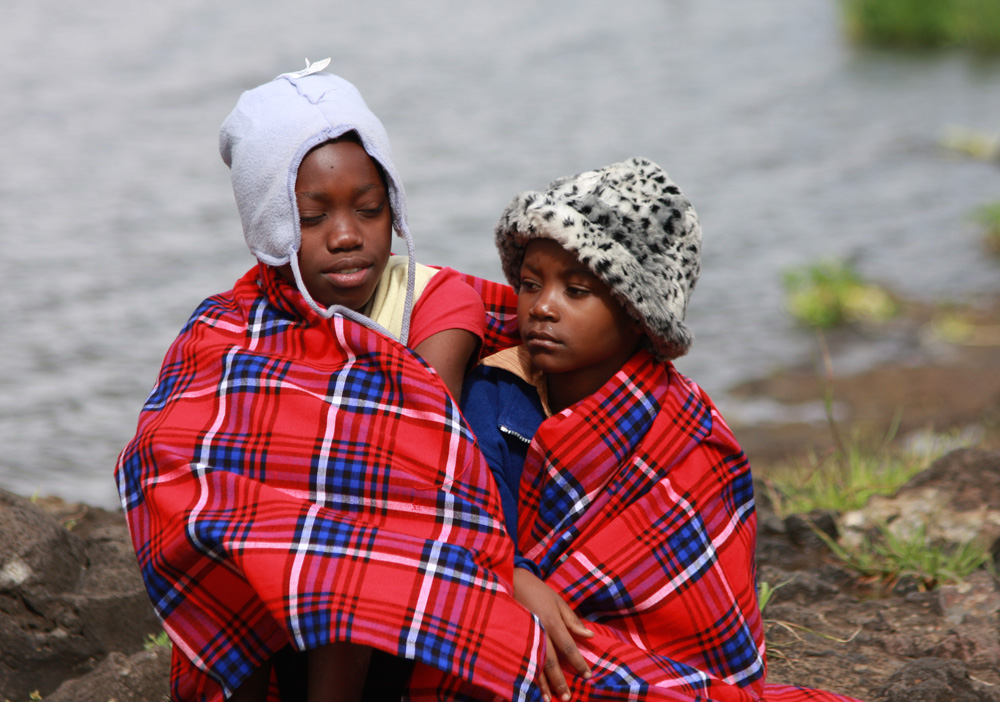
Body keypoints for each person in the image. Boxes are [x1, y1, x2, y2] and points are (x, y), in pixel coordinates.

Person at [114, 60, 544, 702]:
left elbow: (415, 447)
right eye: (313, 218)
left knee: (382, 477)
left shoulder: (435, 302)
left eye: (369, 209)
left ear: (392, 208)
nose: (347, 236)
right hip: (280, 598)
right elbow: (174, 453)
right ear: (269, 227)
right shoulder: (234, 327)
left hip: (413, 570)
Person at [424, 158, 863, 701]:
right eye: (531, 284)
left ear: (637, 313)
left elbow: (705, 592)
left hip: (636, 648)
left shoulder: (684, 428)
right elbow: (467, 513)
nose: (542, 307)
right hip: (522, 612)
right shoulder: (495, 395)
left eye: (576, 291)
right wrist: (514, 576)